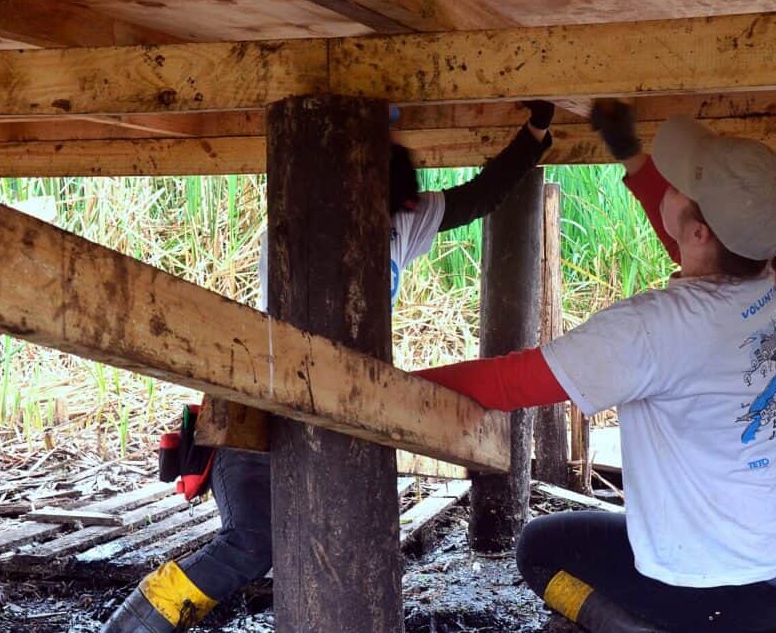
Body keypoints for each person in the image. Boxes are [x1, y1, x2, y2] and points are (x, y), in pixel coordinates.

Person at [102, 101, 556, 632]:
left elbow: (481, 195)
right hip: (264, 410)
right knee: (251, 545)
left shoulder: (400, 221)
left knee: (340, 541)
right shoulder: (298, 224)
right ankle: (130, 625)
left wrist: (534, 135)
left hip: (336, 420)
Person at [413, 101, 776, 632]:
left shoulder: (651, 329)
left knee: (540, 550)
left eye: (682, 187)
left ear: (701, 232)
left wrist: (383, 385)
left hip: (731, 589)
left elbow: (503, 384)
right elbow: (694, 237)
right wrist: (629, 153)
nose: (671, 190)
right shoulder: (774, 272)